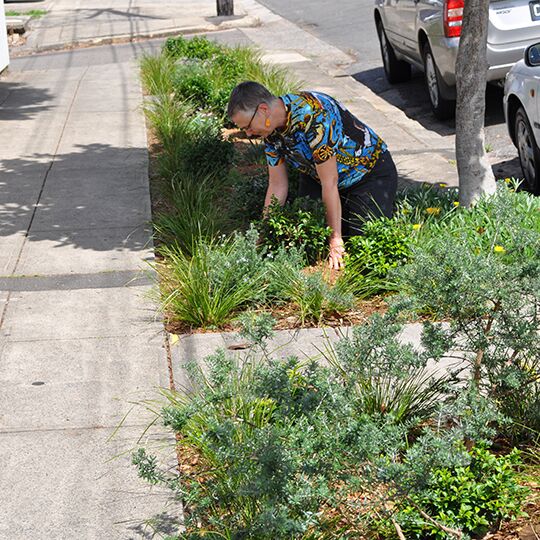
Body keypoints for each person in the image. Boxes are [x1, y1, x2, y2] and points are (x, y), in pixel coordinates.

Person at [227, 81, 398, 270]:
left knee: (363, 250)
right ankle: (346, 213)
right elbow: (277, 186)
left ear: (263, 109)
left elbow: (330, 182)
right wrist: (263, 232)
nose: (249, 134)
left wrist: (335, 240)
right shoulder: (270, 132)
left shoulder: (313, 115)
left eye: (248, 127)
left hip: (368, 174)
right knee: (306, 239)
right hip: (317, 177)